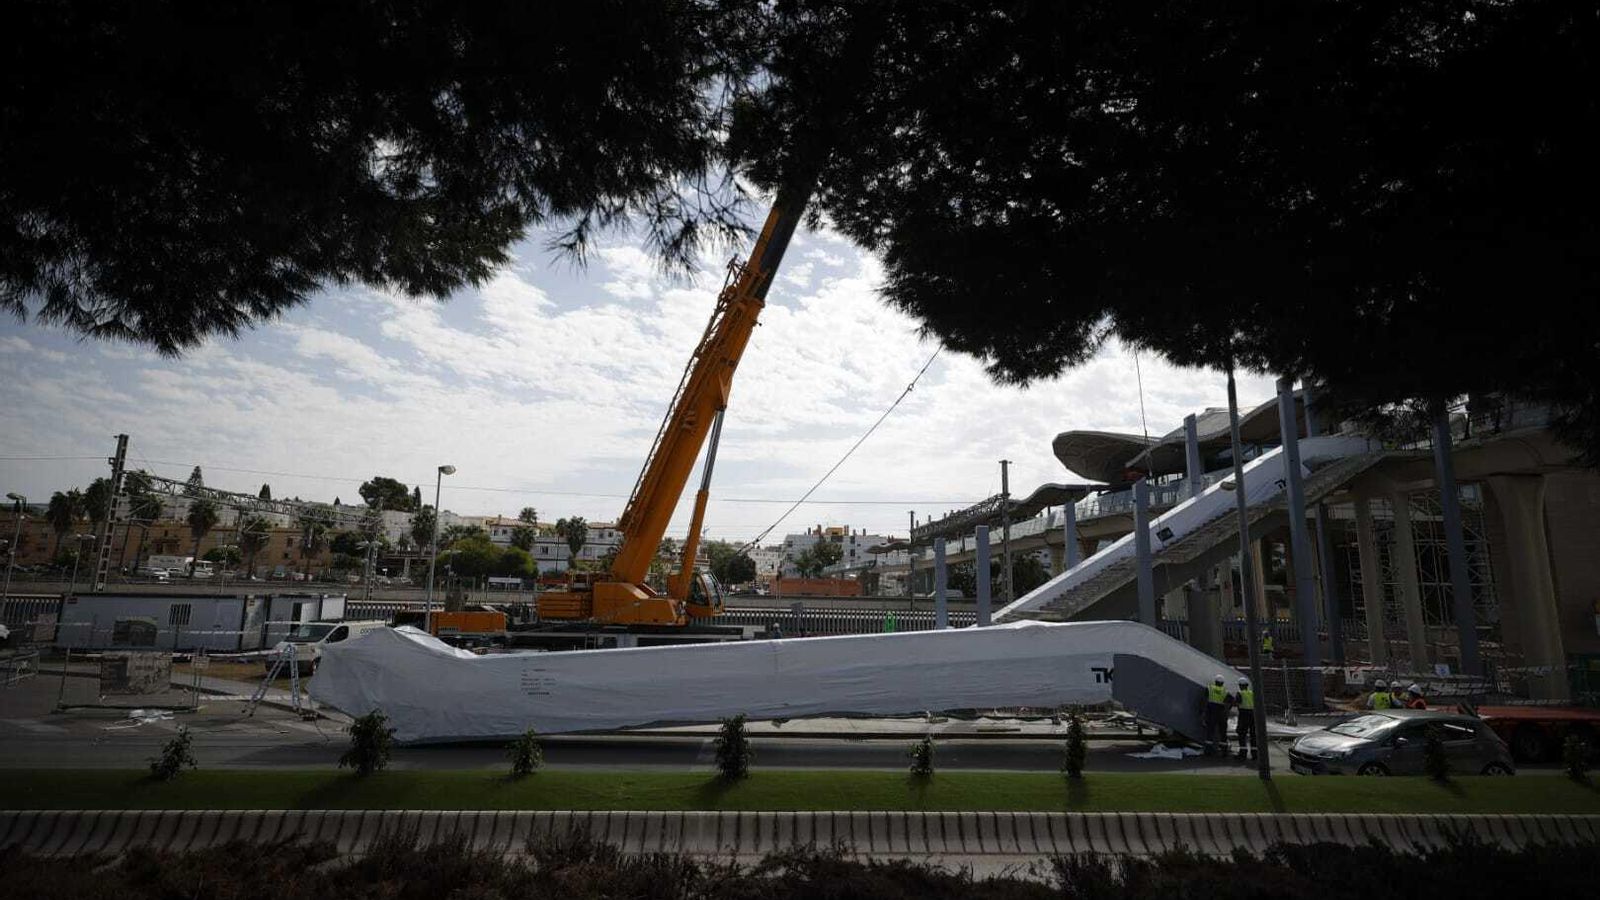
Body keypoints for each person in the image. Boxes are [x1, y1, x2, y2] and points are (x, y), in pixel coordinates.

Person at [1206, 675, 1229, 755]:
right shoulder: (1225, 691)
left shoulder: (1210, 688)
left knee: (1210, 731)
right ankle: (1224, 750)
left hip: (1212, 711)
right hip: (1221, 712)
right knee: (1223, 732)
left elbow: (1204, 700)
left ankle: (1208, 750)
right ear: (1222, 683)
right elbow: (1229, 703)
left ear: (1215, 682)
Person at [1234, 676, 1256, 760]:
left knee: (1242, 734)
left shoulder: (1240, 693)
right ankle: (1255, 754)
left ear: (1240, 685)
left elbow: (1236, 703)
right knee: (1253, 735)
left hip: (1244, 715)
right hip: (1253, 715)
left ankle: (1243, 753)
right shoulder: (1252, 693)